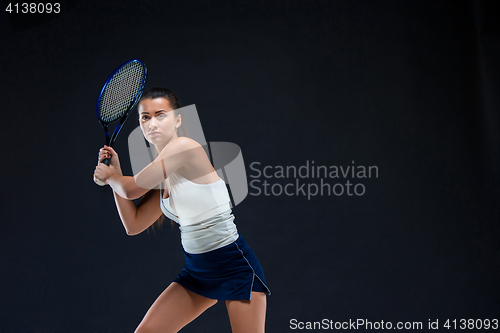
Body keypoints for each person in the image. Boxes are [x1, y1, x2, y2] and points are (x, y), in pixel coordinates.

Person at [93, 87, 271, 333]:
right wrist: (115, 174)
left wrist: (111, 177)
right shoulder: (160, 174)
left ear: (177, 120)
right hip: (197, 272)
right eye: (145, 117)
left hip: (234, 266)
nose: (152, 123)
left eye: (161, 114)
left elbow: (131, 190)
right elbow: (133, 225)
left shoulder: (184, 147)